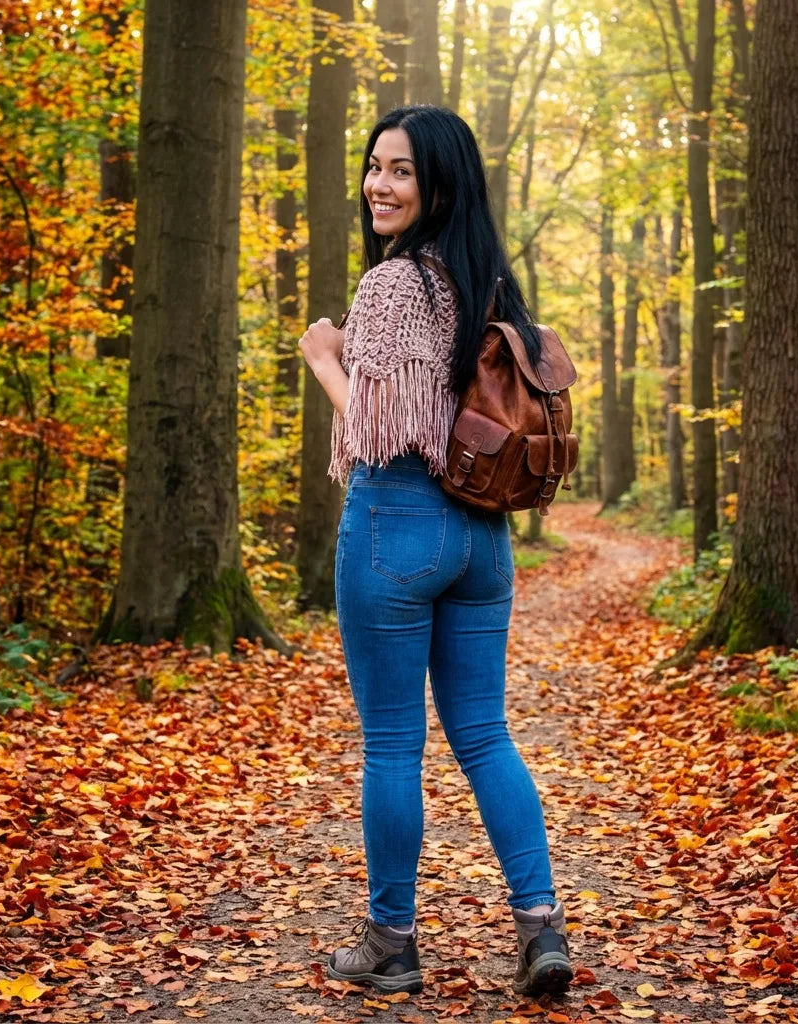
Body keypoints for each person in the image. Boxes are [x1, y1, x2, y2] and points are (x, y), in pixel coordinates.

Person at [299, 105, 572, 1000]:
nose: (379, 184)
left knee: (390, 742)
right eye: (375, 166)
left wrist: (325, 358)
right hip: (483, 539)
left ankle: (392, 944)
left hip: (397, 528)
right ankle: (540, 929)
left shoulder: (393, 285)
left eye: (401, 171)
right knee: (488, 735)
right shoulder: (492, 284)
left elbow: (382, 429)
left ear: (439, 183)